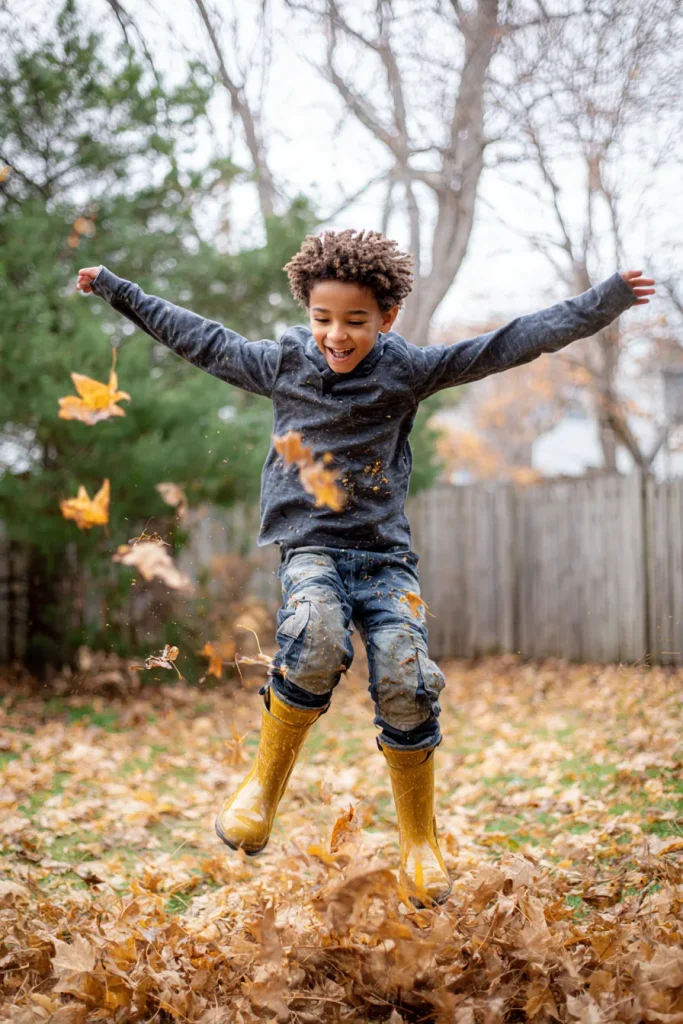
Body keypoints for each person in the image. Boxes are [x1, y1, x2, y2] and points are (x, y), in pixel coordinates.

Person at [77, 231, 654, 906]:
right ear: (306, 312)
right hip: (311, 548)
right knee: (316, 635)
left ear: (386, 317)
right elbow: (199, 337)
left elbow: (507, 343)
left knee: (406, 674)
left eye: (354, 321)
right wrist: (118, 288)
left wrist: (604, 301)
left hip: (384, 557)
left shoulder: (405, 370)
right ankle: (262, 788)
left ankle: (419, 841)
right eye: (323, 319)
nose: (336, 335)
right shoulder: (283, 364)